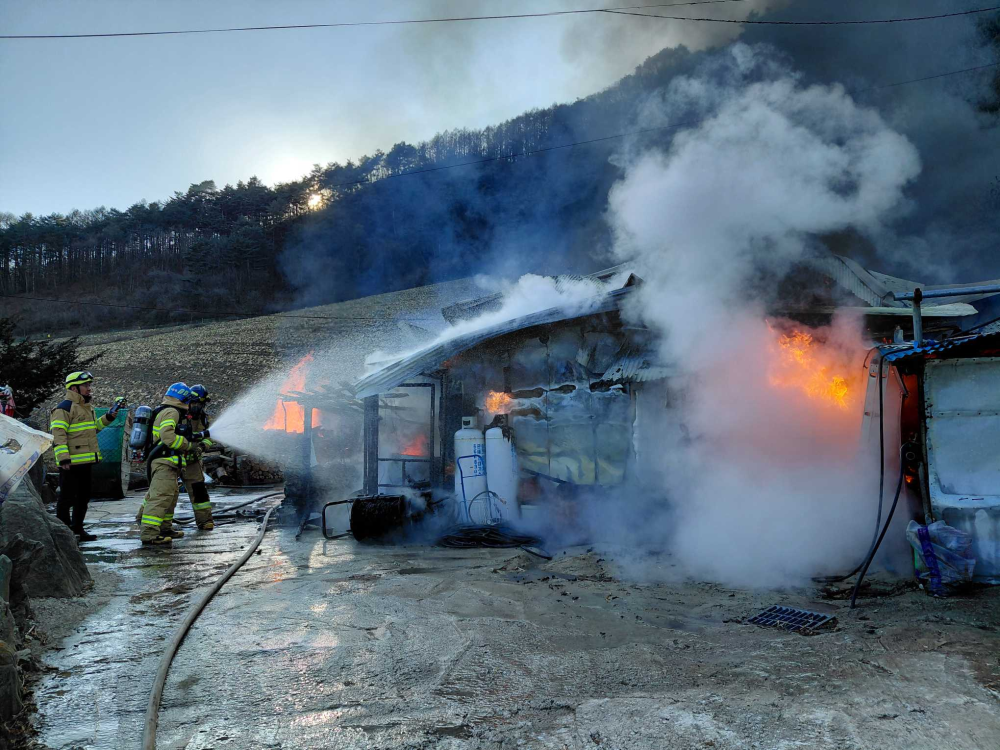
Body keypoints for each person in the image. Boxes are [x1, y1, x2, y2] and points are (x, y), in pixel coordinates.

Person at [50, 371, 126, 541]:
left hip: (86, 461)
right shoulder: (63, 408)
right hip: (70, 463)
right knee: (67, 498)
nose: (89, 388)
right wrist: (63, 459)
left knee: (83, 498)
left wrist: (107, 418)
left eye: (89, 385)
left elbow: (94, 429)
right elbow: (58, 435)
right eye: (86, 385)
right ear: (74, 388)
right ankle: (63, 533)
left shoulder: (87, 408)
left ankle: (78, 529)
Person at [139, 382, 203, 545]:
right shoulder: (172, 412)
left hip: (169, 462)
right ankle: (150, 533)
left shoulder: (168, 410)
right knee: (161, 497)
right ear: (183, 399)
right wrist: (187, 445)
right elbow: (167, 437)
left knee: (170, 496)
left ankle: (165, 528)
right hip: (164, 461)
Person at [182, 384, 215, 530]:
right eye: (196, 403)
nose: (198, 406)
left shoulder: (203, 418)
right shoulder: (178, 414)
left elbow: (208, 437)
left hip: (192, 461)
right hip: (174, 460)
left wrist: (202, 447)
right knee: (165, 492)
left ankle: (205, 521)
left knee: (199, 492)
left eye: (200, 404)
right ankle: (149, 520)